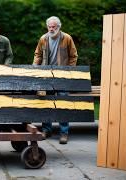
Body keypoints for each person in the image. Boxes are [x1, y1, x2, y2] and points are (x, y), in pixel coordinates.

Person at [33, 16, 78, 144]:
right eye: (49, 27)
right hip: (47, 75)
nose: (51, 29)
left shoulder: (67, 38)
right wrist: (35, 69)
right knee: (46, 102)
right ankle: (47, 130)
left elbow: (73, 56)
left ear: (59, 27)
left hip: (62, 76)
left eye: (54, 27)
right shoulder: (43, 38)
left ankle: (64, 132)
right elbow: (38, 55)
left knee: (63, 103)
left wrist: (69, 71)